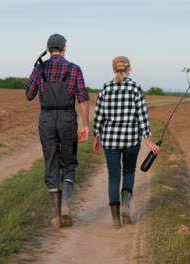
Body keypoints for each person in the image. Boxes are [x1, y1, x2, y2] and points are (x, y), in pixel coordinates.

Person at [25, 34, 90, 228]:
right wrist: (86, 125)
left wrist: (36, 69)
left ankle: (56, 215)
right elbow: (83, 99)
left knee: (51, 161)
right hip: (68, 118)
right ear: (64, 48)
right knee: (68, 162)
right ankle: (66, 206)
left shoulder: (40, 68)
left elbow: (29, 95)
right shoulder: (74, 69)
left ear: (47, 48)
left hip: (47, 119)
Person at [92, 56, 160, 228]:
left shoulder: (106, 89)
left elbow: (99, 116)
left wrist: (96, 136)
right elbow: (142, 117)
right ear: (130, 69)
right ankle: (126, 207)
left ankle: (115, 219)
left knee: (114, 177)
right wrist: (149, 141)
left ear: (114, 70)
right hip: (131, 139)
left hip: (110, 140)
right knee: (129, 172)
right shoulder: (136, 88)